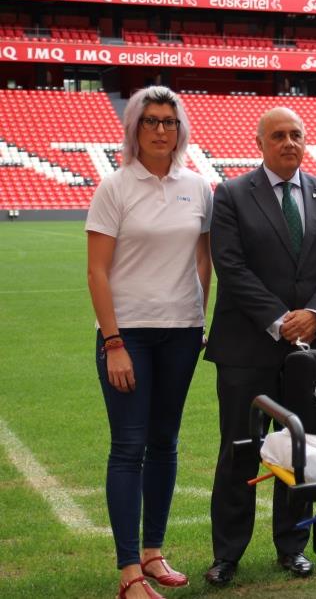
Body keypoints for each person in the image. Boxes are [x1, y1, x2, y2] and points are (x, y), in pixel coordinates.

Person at [203, 107, 316, 586]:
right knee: (238, 451)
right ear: (260, 142)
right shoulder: (230, 194)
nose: (288, 142)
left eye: (296, 134)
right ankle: (227, 554)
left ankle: (292, 547)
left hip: (306, 355)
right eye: (278, 135)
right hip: (247, 349)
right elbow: (230, 265)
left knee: (299, 451)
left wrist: (315, 316)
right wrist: (278, 320)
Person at [86, 86, 212, 599]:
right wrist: (113, 341)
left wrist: (198, 316)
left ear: (181, 130)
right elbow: (96, 270)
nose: (161, 129)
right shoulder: (115, 187)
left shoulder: (199, 187)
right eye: (151, 121)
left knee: (165, 444)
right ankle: (127, 573)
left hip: (181, 333)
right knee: (129, 446)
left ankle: (153, 553)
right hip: (128, 335)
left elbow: (204, 260)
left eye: (169, 121)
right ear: (134, 129)